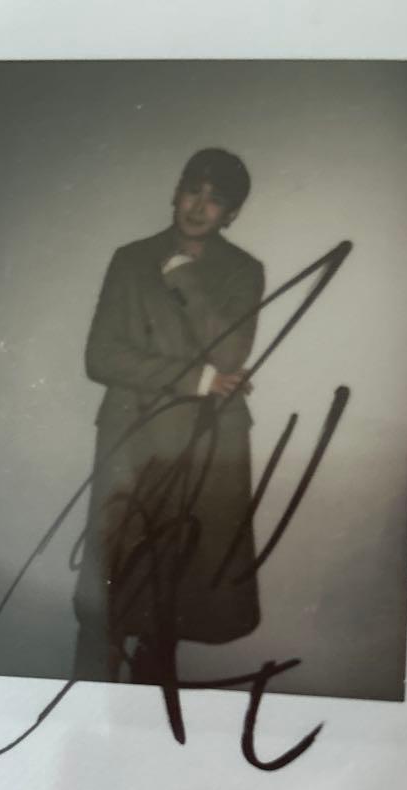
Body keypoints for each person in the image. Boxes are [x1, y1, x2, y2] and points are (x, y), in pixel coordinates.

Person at [72, 148, 266, 690]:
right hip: (132, 435)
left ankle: (151, 710)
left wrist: (183, 278)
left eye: (216, 200)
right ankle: (82, 700)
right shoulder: (130, 259)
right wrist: (197, 380)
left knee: (172, 593)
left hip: (203, 442)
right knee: (108, 587)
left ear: (231, 214)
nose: (199, 207)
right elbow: (100, 357)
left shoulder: (243, 271)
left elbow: (229, 354)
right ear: (175, 192)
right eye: (192, 191)